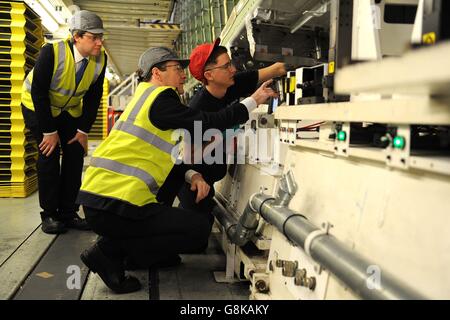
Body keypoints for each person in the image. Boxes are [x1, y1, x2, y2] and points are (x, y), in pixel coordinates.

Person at [77, 47, 277, 293]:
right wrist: (254, 100)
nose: (183, 75)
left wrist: (191, 174)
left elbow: (169, 155)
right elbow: (209, 122)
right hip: (115, 205)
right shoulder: (161, 99)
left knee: (187, 222)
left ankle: (136, 254)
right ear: (157, 73)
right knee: (199, 229)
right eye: (176, 69)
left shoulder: (146, 97)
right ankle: (107, 253)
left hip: (104, 200)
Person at [172, 38, 287, 232]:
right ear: (209, 75)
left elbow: (276, 69)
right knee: (197, 235)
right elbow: (187, 157)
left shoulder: (231, 84)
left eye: (231, 64)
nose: (233, 69)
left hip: (211, 181)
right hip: (194, 187)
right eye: (226, 66)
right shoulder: (199, 108)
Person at [21, 10, 107, 234]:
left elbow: (93, 96)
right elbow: (39, 92)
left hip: (68, 110)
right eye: (94, 37)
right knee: (48, 154)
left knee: (75, 153)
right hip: (37, 106)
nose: (100, 42)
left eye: (101, 36)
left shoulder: (100, 59)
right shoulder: (52, 52)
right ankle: (49, 215)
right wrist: (48, 131)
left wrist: (82, 130)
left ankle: (68, 213)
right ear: (77, 36)